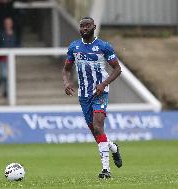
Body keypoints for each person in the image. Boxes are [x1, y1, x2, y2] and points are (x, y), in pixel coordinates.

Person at [62, 17, 123, 179]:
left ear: (94, 27)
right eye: (82, 26)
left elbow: (117, 69)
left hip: (100, 92)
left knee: (98, 126)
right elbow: (67, 69)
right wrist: (66, 82)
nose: (84, 28)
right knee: (96, 132)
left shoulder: (103, 46)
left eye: (87, 25)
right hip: (84, 95)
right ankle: (113, 147)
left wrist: (103, 84)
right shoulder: (74, 47)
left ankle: (105, 170)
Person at [0, 17, 19, 97]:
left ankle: (5, 91)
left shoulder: (14, 33)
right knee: (4, 75)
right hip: (3, 57)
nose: (8, 25)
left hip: (11, 58)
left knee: (8, 75)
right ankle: (5, 90)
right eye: (6, 23)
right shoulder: (1, 33)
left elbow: (17, 44)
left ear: (11, 24)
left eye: (9, 23)